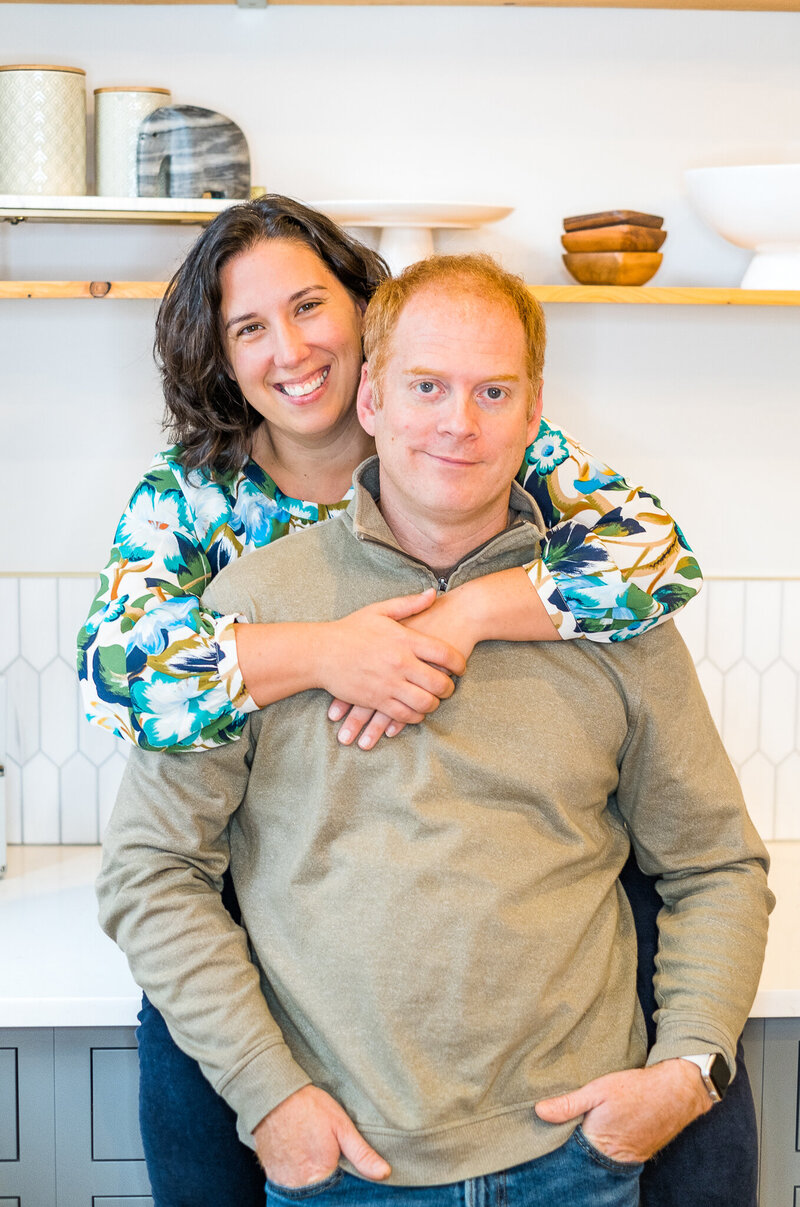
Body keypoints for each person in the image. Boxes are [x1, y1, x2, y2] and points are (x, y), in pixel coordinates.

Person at [97, 253, 772, 1207]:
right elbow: (151, 870)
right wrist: (270, 1100)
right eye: (426, 387)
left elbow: (714, 863)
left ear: (534, 417)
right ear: (370, 398)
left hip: (584, 1156)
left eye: (493, 391)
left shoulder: (606, 612)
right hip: (340, 1164)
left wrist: (685, 1071)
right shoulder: (244, 598)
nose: (459, 422)